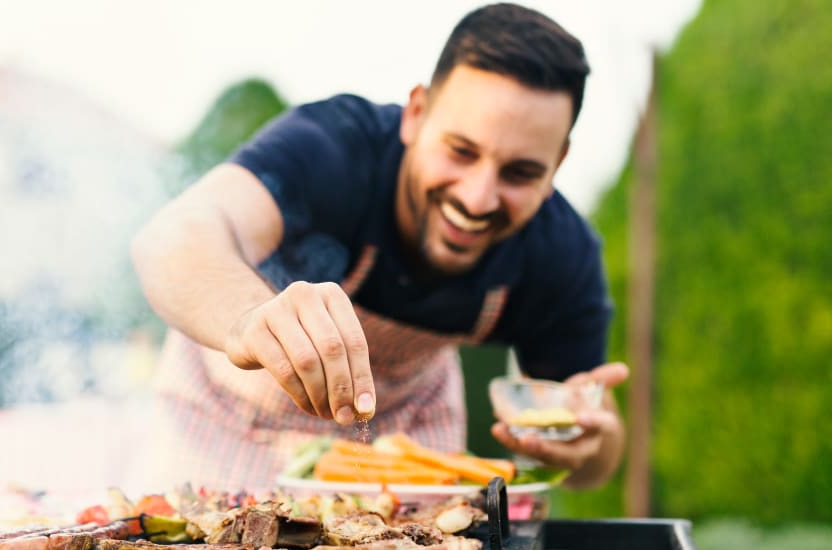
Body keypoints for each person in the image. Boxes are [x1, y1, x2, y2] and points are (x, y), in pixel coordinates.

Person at [130, 2, 628, 493]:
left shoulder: (562, 252)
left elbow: (595, 461)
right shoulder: (335, 147)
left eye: (520, 173)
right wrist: (248, 320)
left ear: (558, 163)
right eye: (461, 150)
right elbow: (173, 238)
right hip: (228, 422)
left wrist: (587, 445)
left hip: (405, 439)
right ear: (415, 114)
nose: (477, 199)